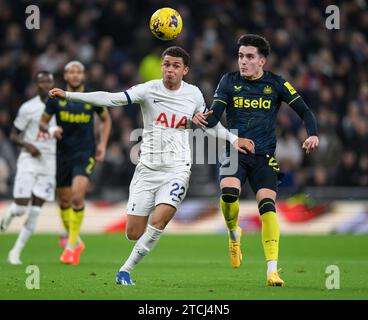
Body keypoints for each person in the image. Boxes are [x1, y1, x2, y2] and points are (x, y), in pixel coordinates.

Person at [48, 46, 255, 285]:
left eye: (175, 66)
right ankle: (135, 247)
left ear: (185, 70)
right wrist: (69, 95)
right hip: (147, 169)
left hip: (177, 169)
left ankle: (124, 271)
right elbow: (111, 98)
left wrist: (232, 138)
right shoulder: (148, 89)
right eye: (166, 64)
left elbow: (209, 123)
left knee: (160, 220)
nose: (170, 70)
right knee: (133, 233)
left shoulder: (194, 94)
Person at [194, 34, 319, 286]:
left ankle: (272, 270)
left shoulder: (276, 83)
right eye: (240, 56)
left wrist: (312, 134)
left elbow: (305, 111)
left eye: (249, 57)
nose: (243, 61)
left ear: (262, 60)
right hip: (234, 150)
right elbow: (215, 116)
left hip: (264, 156)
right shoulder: (228, 81)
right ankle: (233, 234)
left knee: (267, 205)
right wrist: (198, 118)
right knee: (229, 193)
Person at [39, 61, 112, 265]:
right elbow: (43, 122)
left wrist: (102, 144)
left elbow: (106, 120)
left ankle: (71, 246)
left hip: (84, 153)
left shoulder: (91, 98)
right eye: (71, 71)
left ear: (84, 76)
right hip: (62, 154)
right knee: (63, 201)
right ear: (65, 75)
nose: (75, 75)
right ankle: (75, 239)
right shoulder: (55, 99)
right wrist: (51, 130)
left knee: (77, 197)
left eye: (78, 71)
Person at [0, 71, 56, 265]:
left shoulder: (63, 107)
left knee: (36, 211)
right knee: (21, 208)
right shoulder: (28, 108)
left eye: (49, 81)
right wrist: (28, 145)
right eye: (42, 82)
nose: (46, 84)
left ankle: (15, 252)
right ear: (36, 85)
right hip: (29, 160)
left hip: (50, 163)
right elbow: (14, 135)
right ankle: (10, 213)